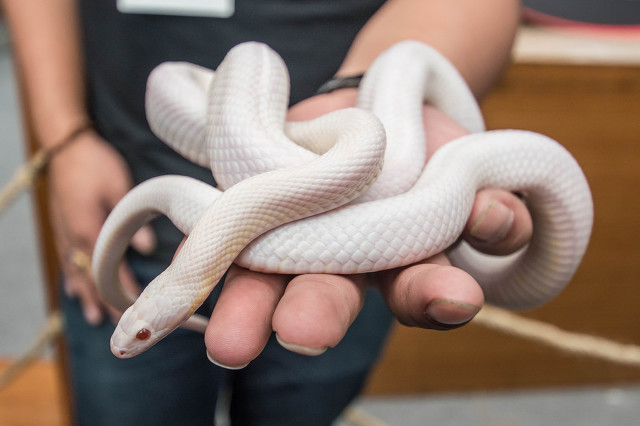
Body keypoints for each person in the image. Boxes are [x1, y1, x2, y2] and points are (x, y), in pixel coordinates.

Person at [3, 0, 528, 424]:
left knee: (305, 397)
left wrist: (362, 87)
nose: (133, 340)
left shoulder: (360, 137)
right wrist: (65, 137)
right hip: (122, 196)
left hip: (360, 265)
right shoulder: (329, 128)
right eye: (145, 330)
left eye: (142, 332)